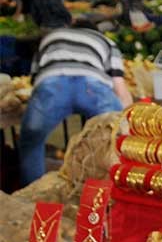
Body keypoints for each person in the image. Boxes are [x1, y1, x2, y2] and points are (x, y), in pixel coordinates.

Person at [20, 19, 133, 185]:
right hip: (92, 86)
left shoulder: (52, 37)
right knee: (115, 139)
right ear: (95, 31)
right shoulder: (105, 41)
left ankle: (32, 192)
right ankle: (114, 191)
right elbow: (119, 87)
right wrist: (127, 121)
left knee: (31, 140)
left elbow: (36, 78)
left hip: (53, 84)